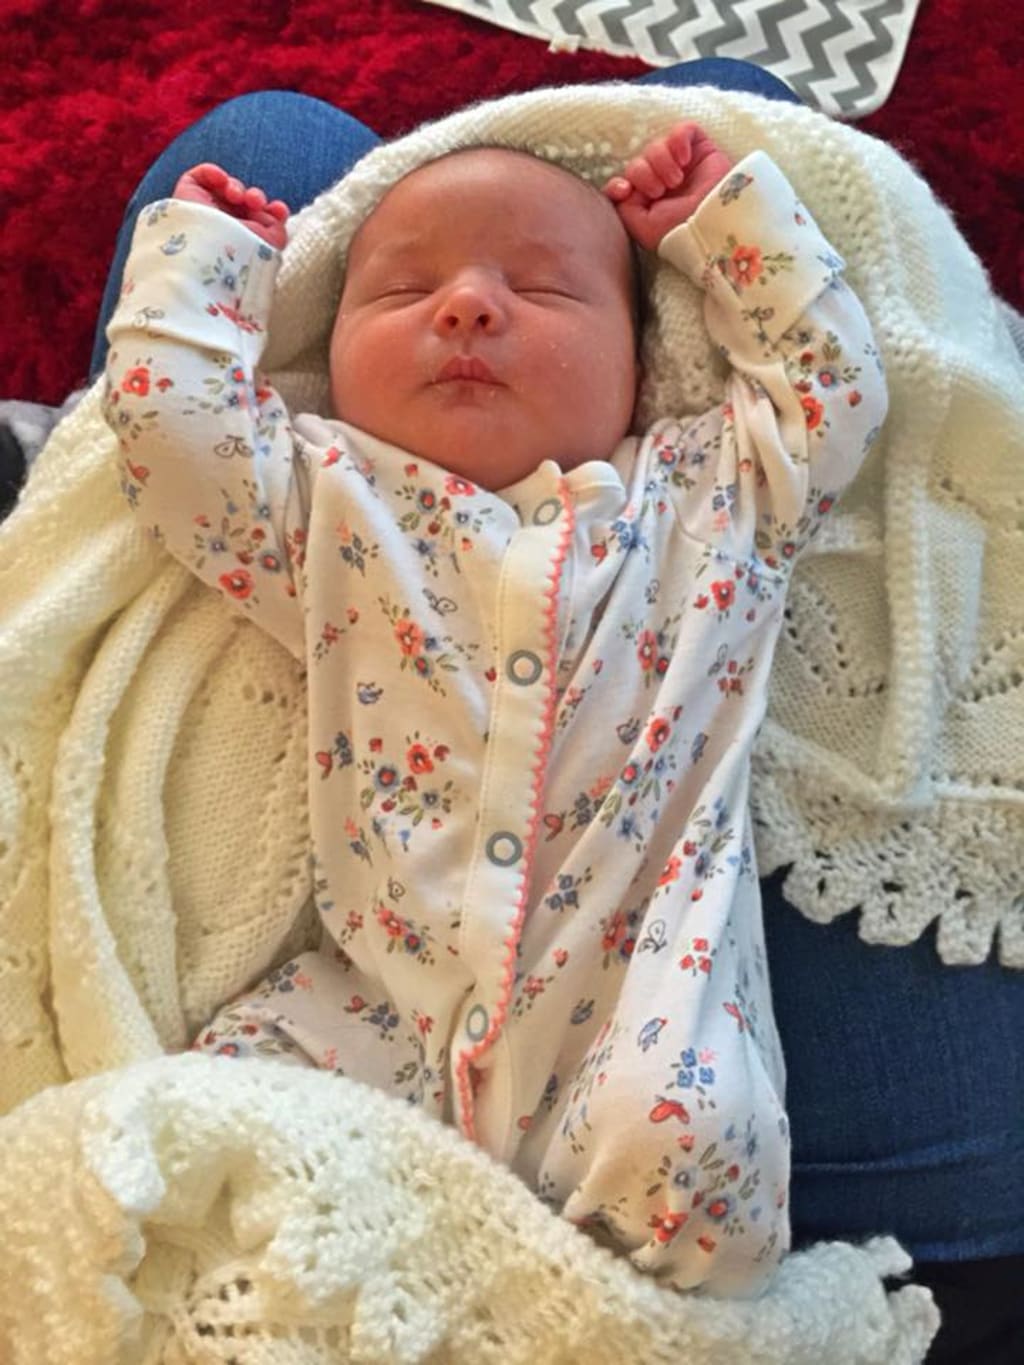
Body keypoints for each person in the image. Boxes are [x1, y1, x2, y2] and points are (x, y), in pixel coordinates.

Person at [91, 64, 1021, 1357]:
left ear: (642, 368)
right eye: (403, 291)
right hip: (381, 1012)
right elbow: (176, 450)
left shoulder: (705, 496)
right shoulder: (329, 500)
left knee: (692, 1141)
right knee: (201, 1126)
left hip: (642, 1008)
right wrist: (202, 269)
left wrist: (728, 230)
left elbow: (830, 392)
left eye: (541, 290)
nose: (469, 304)